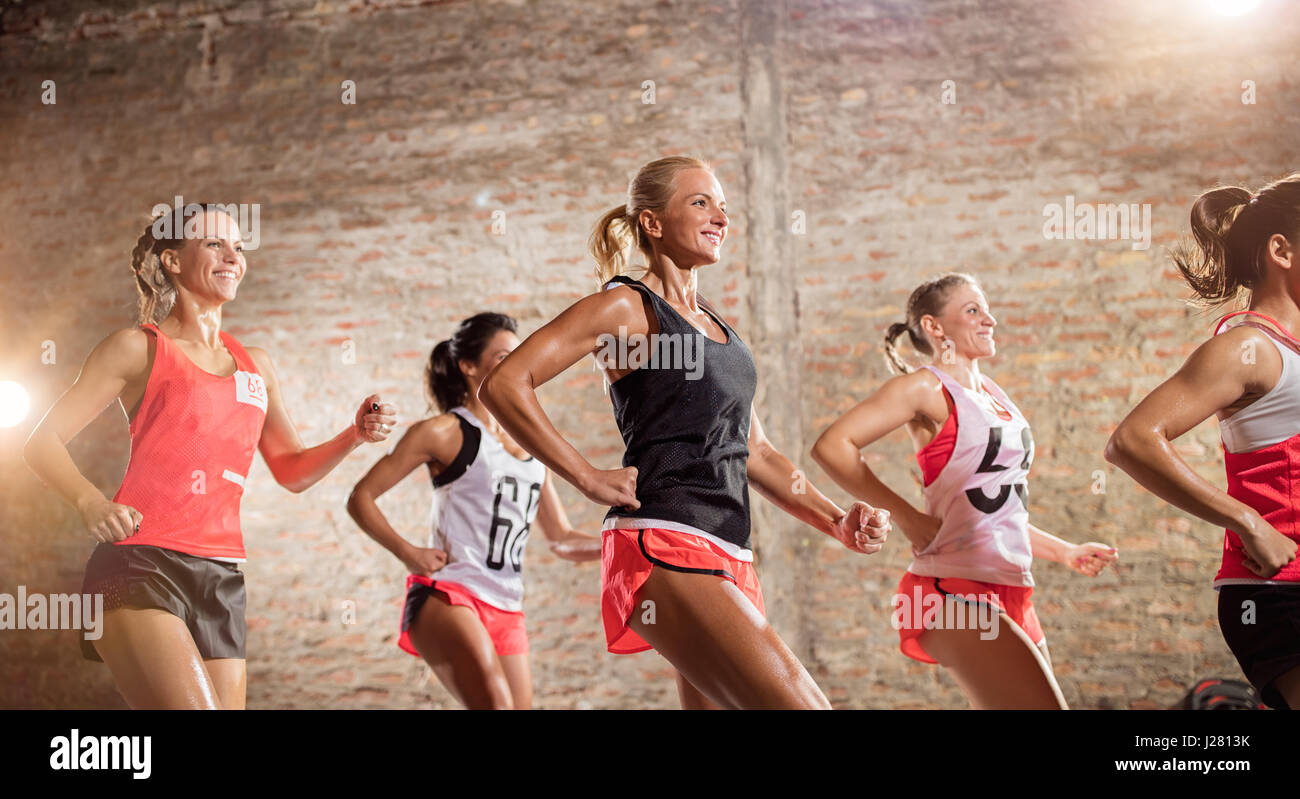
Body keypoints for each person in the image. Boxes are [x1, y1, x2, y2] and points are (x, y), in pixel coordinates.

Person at [479, 156, 891, 710]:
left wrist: (836, 520)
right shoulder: (626, 307)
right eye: (701, 202)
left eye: (722, 205)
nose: (720, 215)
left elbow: (756, 451)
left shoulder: (721, 330)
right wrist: (585, 477)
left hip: (728, 549)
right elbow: (506, 383)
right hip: (665, 543)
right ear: (652, 223)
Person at [22, 204, 396, 710]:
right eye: (214, 244)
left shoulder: (255, 366)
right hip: (138, 564)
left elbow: (290, 471)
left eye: (238, 247)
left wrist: (352, 435)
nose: (232, 257)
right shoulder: (138, 348)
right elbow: (41, 440)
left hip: (221, 577)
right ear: (173, 261)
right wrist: (90, 502)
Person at [812, 272, 1117, 709]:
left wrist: (1065, 552)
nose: (989, 318)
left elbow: (992, 512)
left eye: (986, 308)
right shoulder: (925, 387)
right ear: (934, 327)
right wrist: (908, 519)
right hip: (951, 586)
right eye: (973, 310)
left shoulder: (996, 397)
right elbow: (832, 446)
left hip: (1011, 587)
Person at [1106, 174, 1300, 710]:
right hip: (1279, 591)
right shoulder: (1250, 347)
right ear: (1280, 250)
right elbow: (1133, 441)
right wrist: (1249, 522)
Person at [346, 312, 600, 710]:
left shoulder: (533, 444)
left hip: (507, 604)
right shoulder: (444, 432)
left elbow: (562, 539)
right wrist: (408, 552)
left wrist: (620, 543)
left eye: (518, 357)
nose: (514, 365)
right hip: (450, 594)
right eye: (502, 357)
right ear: (468, 366)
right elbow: (361, 497)